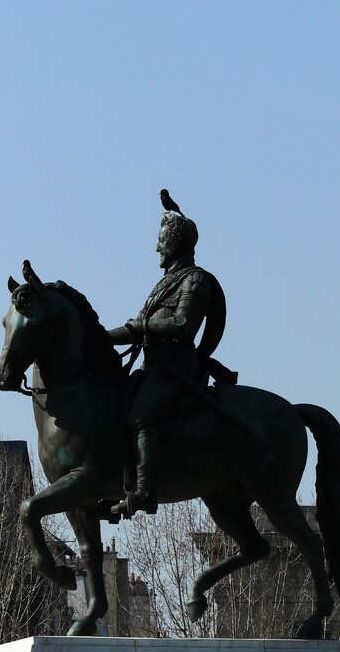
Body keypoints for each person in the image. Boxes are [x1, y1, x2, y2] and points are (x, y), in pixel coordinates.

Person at [107, 210, 225, 516]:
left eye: (161, 242)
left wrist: (142, 327)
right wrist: (99, 337)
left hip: (177, 367)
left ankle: (145, 492)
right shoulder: (164, 284)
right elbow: (136, 326)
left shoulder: (195, 280)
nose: (157, 249)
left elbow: (183, 323)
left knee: (140, 416)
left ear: (173, 243)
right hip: (153, 366)